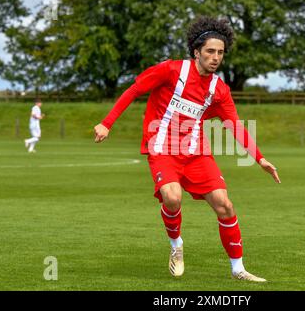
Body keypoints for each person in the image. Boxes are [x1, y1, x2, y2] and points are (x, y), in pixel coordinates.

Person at [94, 16, 281, 282]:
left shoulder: (219, 89)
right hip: (162, 148)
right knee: (172, 197)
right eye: (210, 51)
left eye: (220, 53)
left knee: (224, 205)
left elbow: (235, 125)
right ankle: (176, 245)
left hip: (196, 153)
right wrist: (106, 123)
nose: (216, 57)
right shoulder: (171, 70)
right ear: (196, 51)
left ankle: (238, 269)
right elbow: (135, 90)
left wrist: (260, 159)